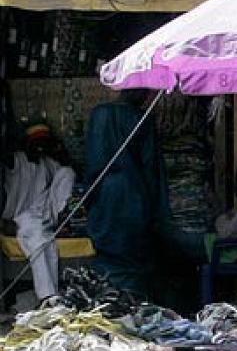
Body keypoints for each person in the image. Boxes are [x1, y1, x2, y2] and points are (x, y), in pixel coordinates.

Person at [85, 90, 171, 296]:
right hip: (135, 195)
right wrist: (158, 208)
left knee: (108, 255)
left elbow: (92, 162)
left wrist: (90, 196)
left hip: (104, 193)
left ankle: (111, 298)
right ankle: (132, 300)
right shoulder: (142, 119)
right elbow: (151, 167)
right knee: (134, 257)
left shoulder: (99, 114)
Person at [1, 122, 76, 302]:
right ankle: (48, 296)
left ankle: (63, 220)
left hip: (47, 214)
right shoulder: (17, 160)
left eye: (44, 143)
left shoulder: (47, 162)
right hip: (21, 218)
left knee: (67, 172)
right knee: (41, 242)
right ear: (27, 143)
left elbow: (64, 173)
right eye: (36, 143)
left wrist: (58, 150)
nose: (40, 147)